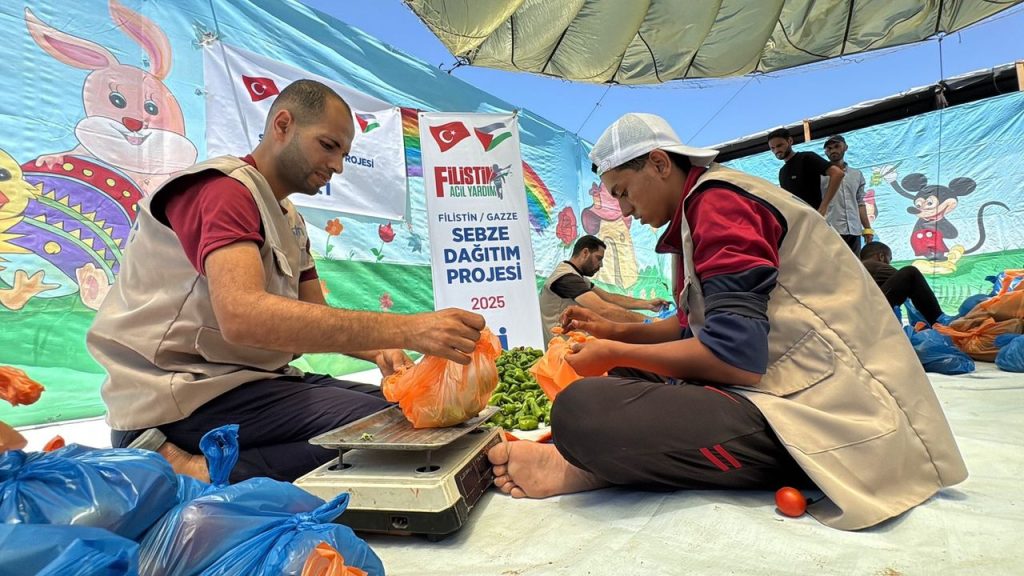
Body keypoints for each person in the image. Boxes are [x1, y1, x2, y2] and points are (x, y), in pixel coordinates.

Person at [489, 112, 967, 531]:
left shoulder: (720, 203)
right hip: (782, 388)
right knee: (625, 378)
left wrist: (614, 350)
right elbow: (689, 328)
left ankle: (593, 465)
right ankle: (610, 459)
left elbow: (733, 356)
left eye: (623, 193)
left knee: (583, 411)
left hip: (839, 416)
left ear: (658, 164)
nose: (627, 213)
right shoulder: (698, 210)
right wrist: (613, 333)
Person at [87, 80, 485, 482]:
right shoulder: (223, 191)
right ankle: (197, 470)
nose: (338, 166)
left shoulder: (289, 218)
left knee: (411, 409)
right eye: (328, 145)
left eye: (344, 154)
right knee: (395, 432)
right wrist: (415, 329)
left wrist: (384, 349)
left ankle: (221, 464)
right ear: (282, 124)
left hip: (246, 385)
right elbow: (243, 317)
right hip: (181, 398)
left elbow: (314, 318)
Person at [538, 235, 668, 337]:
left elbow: (609, 298)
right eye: (598, 258)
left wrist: (647, 304)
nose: (601, 265)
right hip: (561, 352)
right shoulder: (566, 278)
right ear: (585, 253)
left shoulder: (577, 276)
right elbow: (604, 310)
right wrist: (651, 322)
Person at [860, 241, 946, 325]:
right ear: (881, 257)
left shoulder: (859, 267)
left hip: (860, 313)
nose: (889, 263)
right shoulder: (873, 265)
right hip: (868, 313)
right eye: (889, 259)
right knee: (911, 273)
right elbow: (911, 283)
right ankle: (940, 321)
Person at [767, 128, 844, 216]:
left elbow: (837, 174)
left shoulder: (807, 158)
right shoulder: (782, 172)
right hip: (800, 221)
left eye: (779, 145)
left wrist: (823, 207)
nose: (776, 150)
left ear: (790, 141)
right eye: (772, 148)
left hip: (817, 219)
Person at [821, 135, 873, 254]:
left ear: (845, 147)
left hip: (854, 231)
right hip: (831, 229)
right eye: (829, 148)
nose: (833, 150)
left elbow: (860, 203)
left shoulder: (856, 174)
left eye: (837, 146)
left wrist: (867, 229)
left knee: (855, 268)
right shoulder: (821, 175)